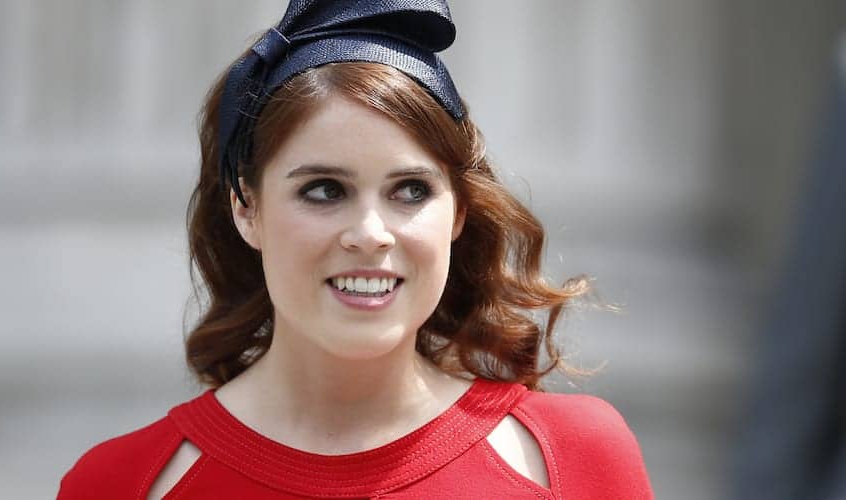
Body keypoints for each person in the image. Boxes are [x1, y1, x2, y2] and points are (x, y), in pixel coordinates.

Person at [58, 1, 653, 498]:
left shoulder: (569, 460)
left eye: (410, 191)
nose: (371, 233)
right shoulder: (124, 482)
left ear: (458, 214)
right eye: (324, 190)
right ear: (246, 208)